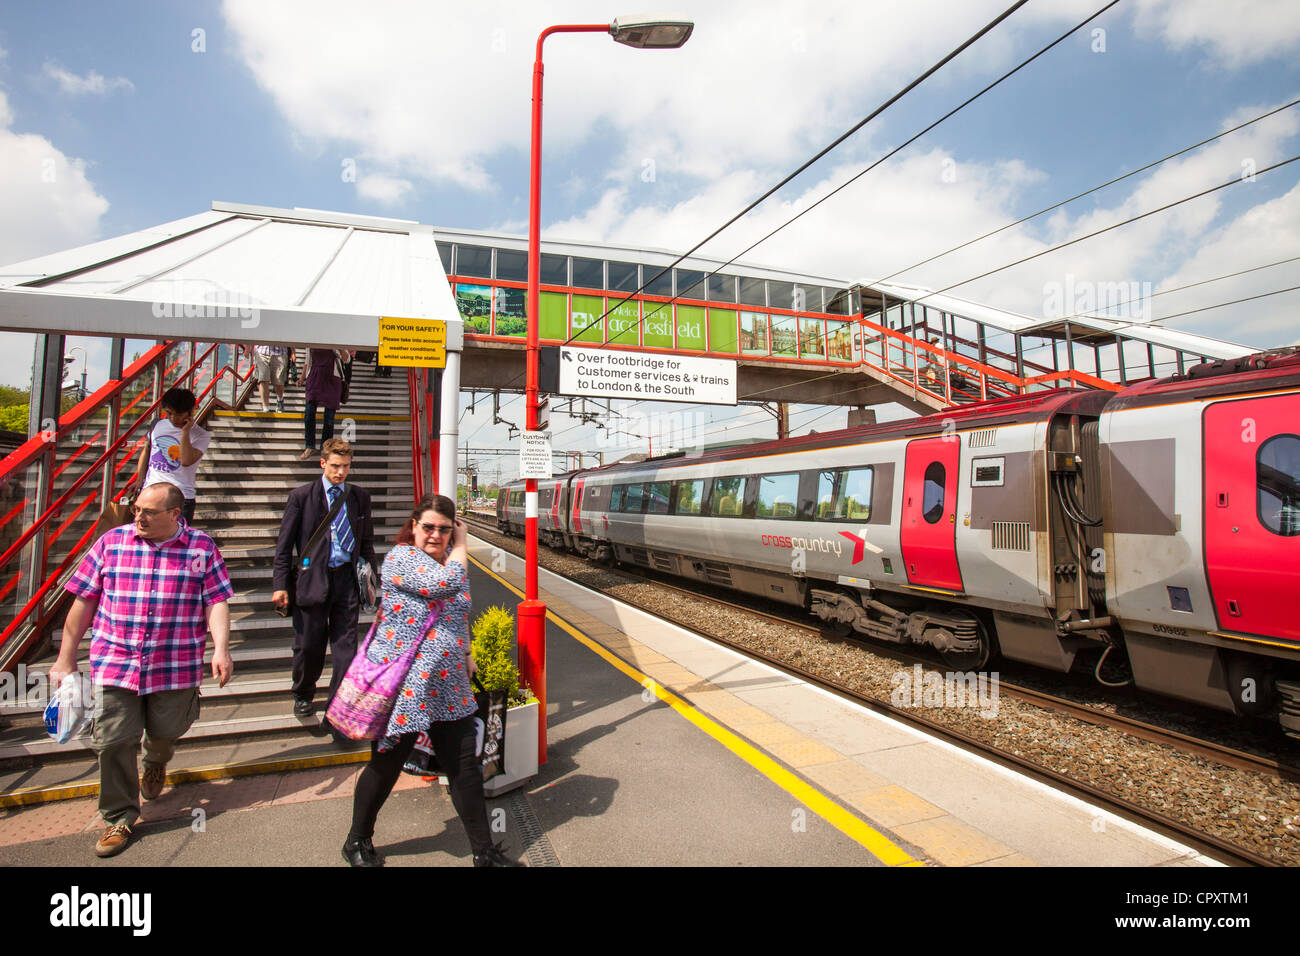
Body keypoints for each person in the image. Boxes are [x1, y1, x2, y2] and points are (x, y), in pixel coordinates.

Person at [49, 482, 233, 858]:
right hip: (116, 660)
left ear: (174, 515)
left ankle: (156, 759)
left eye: (148, 512)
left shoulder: (201, 547)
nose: (139, 517)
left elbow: (216, 600)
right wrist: (65, 658)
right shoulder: (112, 542)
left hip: (175, 661)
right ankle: (119, 816)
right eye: (136, 510)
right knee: (114, 740)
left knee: (166, 729)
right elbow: (84, 600)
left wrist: (222, 649)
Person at [342, 493, 517, 867]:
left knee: (465, 770)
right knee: (386, 764)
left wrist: (467, 654)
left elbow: (459, 613)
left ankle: (484, 852)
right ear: (414, 525)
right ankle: (357, 840)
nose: (435, 534)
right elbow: (444, 585)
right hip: (408, 688)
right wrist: (463, 542)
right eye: (429, 527)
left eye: (444, 528)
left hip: (449, 687)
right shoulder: (402, 559)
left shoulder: (449, 563)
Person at [272, 438, 377, 722]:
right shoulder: (302, 497)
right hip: (312, 580)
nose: (340, 472)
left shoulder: (360, 498)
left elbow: (366, 542)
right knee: (308, 646)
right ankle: (304, 693)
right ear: (323, 463)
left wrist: (372, 581)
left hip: (346, 581)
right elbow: (284, 546)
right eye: (335, 466)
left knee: (346, 650)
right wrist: (280, 585)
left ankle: (337, 705)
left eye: (345, 466)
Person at [129, 387, 209, 523]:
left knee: (176, 542)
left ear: (190, 412)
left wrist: (185, 432)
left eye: (178, 414)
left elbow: (186, 460)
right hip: (150, 494)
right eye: (169, 413)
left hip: (180, 499)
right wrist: (140, 479)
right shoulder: (157, 424)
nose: (173, 418)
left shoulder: (201, 436)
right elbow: (148, 449)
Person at [301, 347, 352, 461]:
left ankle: (325, 447)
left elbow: (347, 359)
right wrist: (302, 378)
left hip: (332, 379)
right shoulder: (312, 340)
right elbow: (307, 361)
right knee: (309, 413)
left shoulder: (336, 339)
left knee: (329, 418)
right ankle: (309, 445)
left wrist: (340, 347)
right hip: (314, 377)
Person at [254, 344, 293, 414]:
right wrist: (248, 348)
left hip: (280, 352)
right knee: (263, 378)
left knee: (279, 381)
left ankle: (280, 399)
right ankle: (265, 407)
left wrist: (293, 351)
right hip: (261, 351)